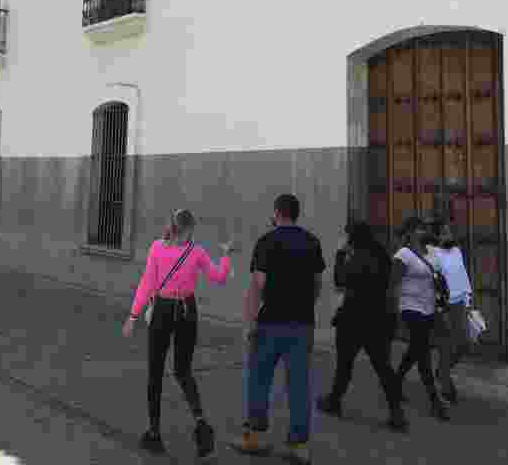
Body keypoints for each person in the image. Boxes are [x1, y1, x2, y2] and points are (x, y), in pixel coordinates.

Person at [122, 209, 235, 458]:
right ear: (185, 229)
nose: (192, 235)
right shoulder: (195, 251)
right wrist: (225, 255)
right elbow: (218, 276)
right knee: (180, 370)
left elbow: (147, 284)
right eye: (190, 231)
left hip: (164, 310)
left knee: (161, 369)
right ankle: (198, 424)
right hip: (186, 310)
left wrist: (133, 316)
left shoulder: (158, 249)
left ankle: (156, 433)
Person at [235, 193, 326, 464]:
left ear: (277, 213)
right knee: (298, 384)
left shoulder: (266, 241)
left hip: (270, 322)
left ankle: (255, 438)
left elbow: (257, 285)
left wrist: (249, 323)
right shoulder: (312, 242)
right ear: (296, 213)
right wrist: (304, 304)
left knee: (259, 379)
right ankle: (299, 446)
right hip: (302, 323)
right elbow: (317, 283)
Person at [317, 221, 407, 431]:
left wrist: (340, 255)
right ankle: (396, 412)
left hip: (354, 319)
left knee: (344, 365)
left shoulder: (359, 257)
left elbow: (340, 280)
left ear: (353, 237)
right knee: (383, 367)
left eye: (347, 235)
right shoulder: (381, 256)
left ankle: (334, 402)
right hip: (377, 319)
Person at [391, 217, 449, 421]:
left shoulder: (431, 252)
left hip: (429, 308)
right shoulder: (403, 255)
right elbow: (394, 283)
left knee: (416, 349)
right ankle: (435, 401)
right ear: (409, 232)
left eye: (423, 228)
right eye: (418, 229)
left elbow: (443, 270)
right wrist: (394, 311)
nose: (422, 232)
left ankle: (394, 383)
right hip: (410, 308)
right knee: (422, 351)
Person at [428, 220, 473, 405]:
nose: (450, 236)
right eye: (445, 233)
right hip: (443, 306)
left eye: (450, 232)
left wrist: (468, 300)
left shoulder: (456, 251)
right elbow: (432, 280)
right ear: (438, 236)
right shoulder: (432, 253)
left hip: (459, 304)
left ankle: (442, 371)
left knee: (464, 343)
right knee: (445, 346)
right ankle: (446, 385)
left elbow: (462, 276)